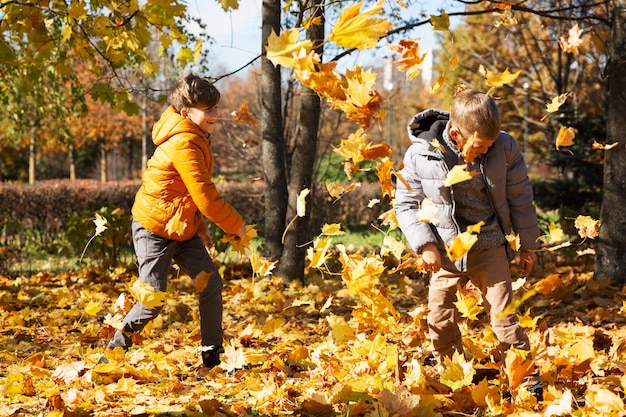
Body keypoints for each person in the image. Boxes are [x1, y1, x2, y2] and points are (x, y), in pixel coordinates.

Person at [394, 87, 543, 401]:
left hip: (489, 245)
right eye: (479, 147)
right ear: (455, 133)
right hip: (446, 249)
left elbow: (520, 197)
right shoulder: (421, 153)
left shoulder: (504, 147)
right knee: (439, 319)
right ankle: (455, 377)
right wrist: (425, 245)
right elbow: (406, 204)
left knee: (504, 317)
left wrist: (528, 245)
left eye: (490, 145)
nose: (485, 151)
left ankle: (528, 384)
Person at [101, 73, 246, 369]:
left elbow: (189, 192)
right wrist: (235, 225)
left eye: (216, 108)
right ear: (186, 113)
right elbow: (205, 195)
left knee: (211, 284)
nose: (215, 114)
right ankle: (113, 353)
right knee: (152, 300)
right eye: (208, 110)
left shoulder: (196, 137)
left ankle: (212, 355)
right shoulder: (184, 143)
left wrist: (201, 230)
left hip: (181, 226)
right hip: (153, 228)